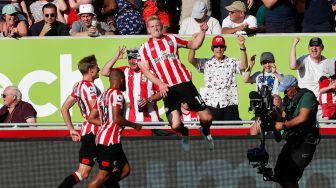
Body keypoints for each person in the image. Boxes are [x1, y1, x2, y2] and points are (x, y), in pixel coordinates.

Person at [137, 15, 214, 150]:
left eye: (157, 25)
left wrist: (202, 32)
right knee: (175, 125)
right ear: (148, 30)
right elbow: (145, 70)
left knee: (207, 118)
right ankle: (185, 132)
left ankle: (205, 131)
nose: (155, 28)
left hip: (184, 83)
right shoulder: (144, 48)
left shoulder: (172, 38)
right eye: (152, 26)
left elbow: (194, 45)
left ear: (162, 26)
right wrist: (160, 84)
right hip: (167, 88)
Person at [87, 68, 142, 188]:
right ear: (121, 80)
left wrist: (106, 122)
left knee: (125, 169)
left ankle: (105, 185)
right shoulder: (117, 95)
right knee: (102, 175)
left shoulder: (102, 96)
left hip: (103, 139)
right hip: (110, 142)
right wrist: (134, 125)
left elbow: (91, 118)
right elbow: (117, 118)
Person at [58, 55, 101, 188]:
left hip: (91, 132)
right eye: (96, 67)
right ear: (91, 70)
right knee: (85, 173)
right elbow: (95, 110)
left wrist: (71, 128)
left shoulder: (78, 87)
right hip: (96, 133)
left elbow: (64, 108)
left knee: (107, 170)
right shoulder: (89, 87)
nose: (99, 69)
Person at [273, 75, 319, 188]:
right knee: (279, 174)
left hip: (305, 142)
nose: (285, 94)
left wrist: (283, 125)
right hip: (292, 141)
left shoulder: (307, 96)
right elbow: (283, 117)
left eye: (286, 90)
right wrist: (274, 115)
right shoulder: (288, 99)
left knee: (290, 176)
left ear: (294, 87)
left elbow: (303, 117)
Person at [188, 35, 247, 121]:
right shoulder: (206, 62)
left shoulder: (231, 61)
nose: (219, 49)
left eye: (221, 46)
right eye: (216, 46)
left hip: (230, 102)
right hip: (212, 103)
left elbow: (243, 66)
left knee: (231, 131)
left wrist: (242, 46)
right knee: (213, 131)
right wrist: (193, 45)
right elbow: (191, 60)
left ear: (224, 48)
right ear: (212, 48)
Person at [101, 46, 161, 122]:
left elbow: (161, 92)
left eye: (135, 58)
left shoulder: (151, 72)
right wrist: (116, 58)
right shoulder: (125, 71)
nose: (132, 61)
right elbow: (105, 72)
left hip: (151, 119)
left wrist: (148, 99)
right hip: (130, 120)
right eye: (129, 58)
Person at [290, 37, 330, 119]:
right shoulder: (304, 59)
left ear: (322, 47)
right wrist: (294, 45)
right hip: (304, 105)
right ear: (308, 48)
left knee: (323, 131)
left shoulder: (327, 63)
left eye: (317, 45)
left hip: (320, 106)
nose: (314, 48)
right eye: (311, 46)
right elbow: (292, 66)